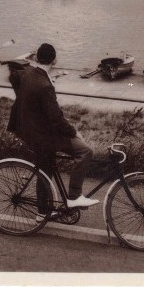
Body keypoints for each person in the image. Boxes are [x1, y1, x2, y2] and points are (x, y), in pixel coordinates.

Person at [7, 43, 98, 210]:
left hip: (28, 129)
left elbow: (14, 76)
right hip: (42, 134)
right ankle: (75, 196)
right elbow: (56, 119)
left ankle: (42, 212)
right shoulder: (45, 85)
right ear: (54, 61)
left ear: (35, 58)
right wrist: (74, 132)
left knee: (45, 169)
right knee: (85, 151)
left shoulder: (28, 74)